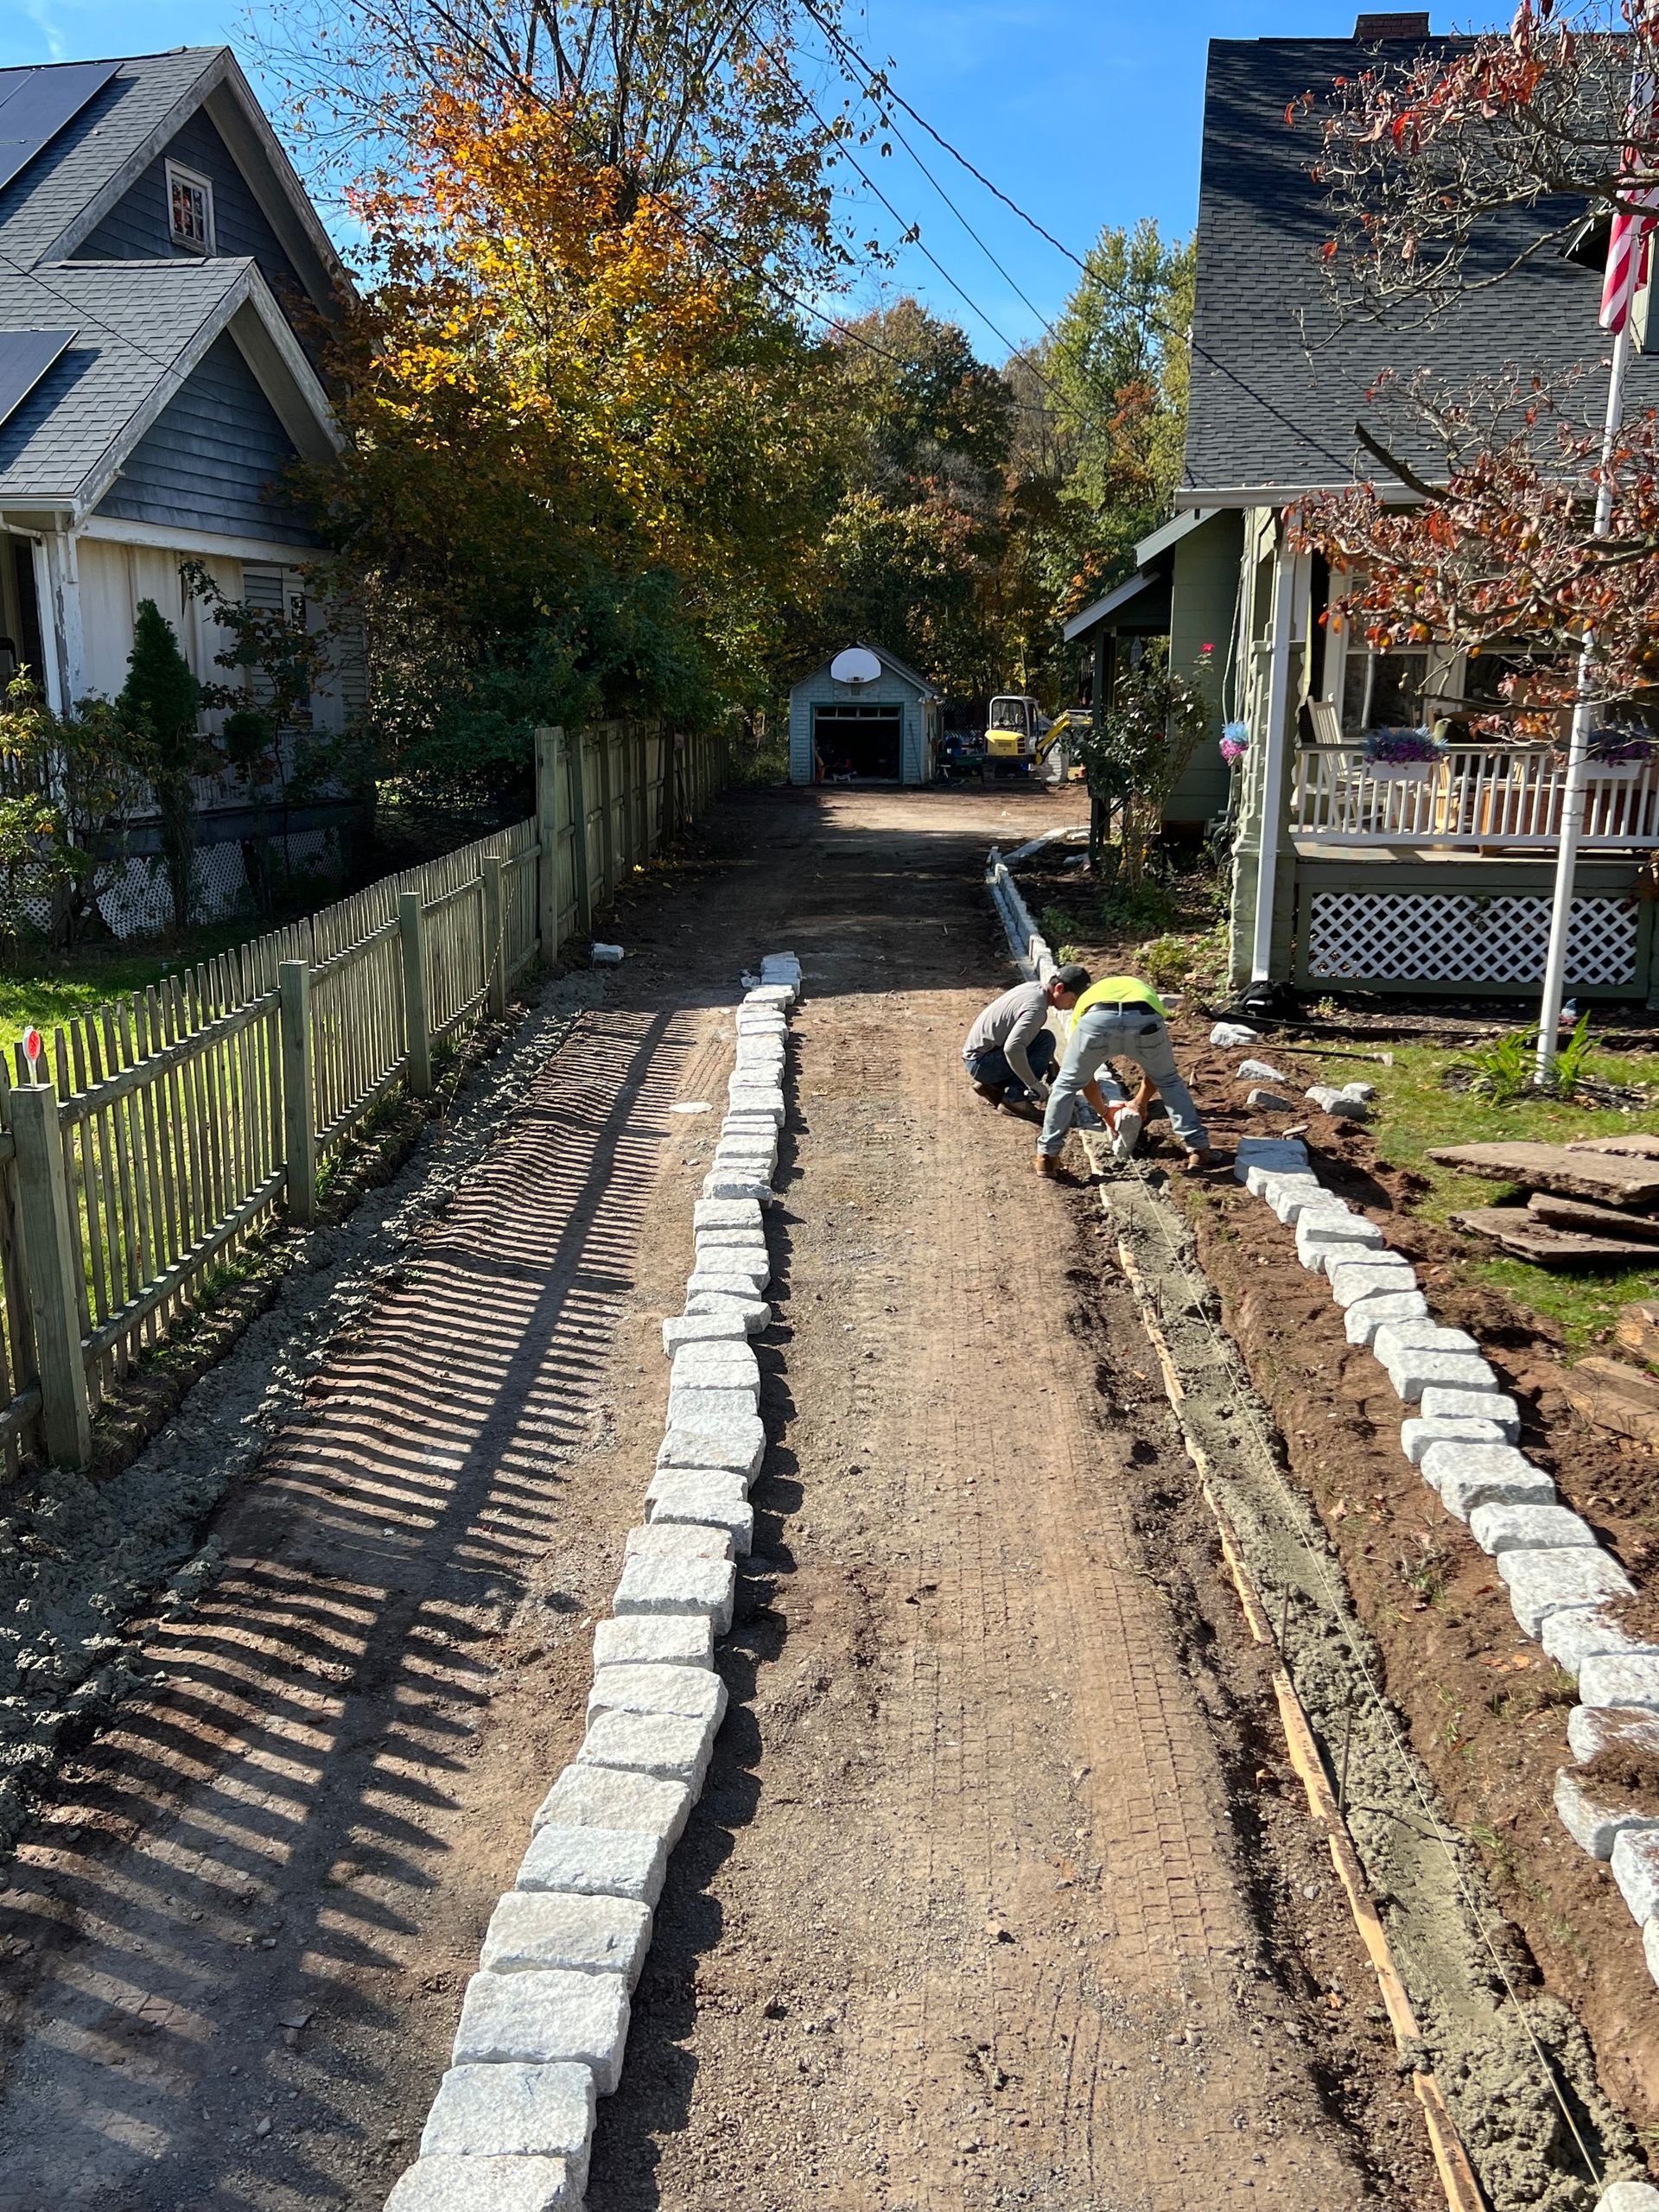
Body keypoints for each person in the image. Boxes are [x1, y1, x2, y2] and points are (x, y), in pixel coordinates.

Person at [1034, 973, 1219, 1174]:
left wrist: (1105, 1113)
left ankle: (1047, 1156)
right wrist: (1140, 1103)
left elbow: (1084, 1078)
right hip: (1144, 1018)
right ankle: (1199, 1149)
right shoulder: (1144, 991)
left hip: (1097, 1020)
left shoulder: (1085, 1001)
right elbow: (1156, 1071)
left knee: (1066, 1085)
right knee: (1168, 1080)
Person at [963, 964, 1090, 1112]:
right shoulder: (1036, 1009)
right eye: (1073, 1000)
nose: (1072, 1006)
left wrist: (1050, 1059)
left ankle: (994, 1086)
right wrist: (1034, 1084)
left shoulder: (1033, 988)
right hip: (983, 1064)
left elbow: (1024, 1035)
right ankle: (1015, 1100)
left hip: (978, 1057)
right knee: (1046, 1040)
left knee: (1042, 1039)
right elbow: (1013, 1049)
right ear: (1059, 988)